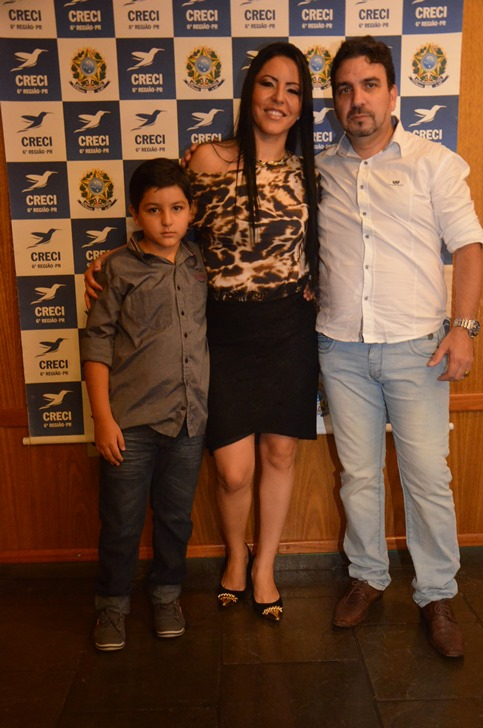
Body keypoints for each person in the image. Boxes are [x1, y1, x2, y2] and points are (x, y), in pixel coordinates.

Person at [85, 42, 319, 622]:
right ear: (250, 90)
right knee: (234, 471)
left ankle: (262, 568)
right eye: (269, 84)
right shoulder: (208, 159)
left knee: (280, 453)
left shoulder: (311, 169)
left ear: (303, 104)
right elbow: (162, 214)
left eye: (293, 89)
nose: (279, 98)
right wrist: (110, 259)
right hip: (224, 332)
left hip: (289, 329)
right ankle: (235, 555)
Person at [316, 37, 483, 657]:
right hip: (340, 350)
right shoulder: (319, 170)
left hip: (419, 350)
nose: (356, 100)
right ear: (334, 99)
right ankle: (367, 576)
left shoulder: (434, 163)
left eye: (369, 86)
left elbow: (469, 246)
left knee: (428, 478)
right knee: (358, 475)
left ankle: (436, 594)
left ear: (392, 93)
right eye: (344, 89)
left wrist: (463, 329)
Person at [81, 158, 208, 651]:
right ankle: (112, 605)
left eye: (177, 208)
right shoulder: (116, 268)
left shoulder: (200, 262)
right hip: (129, 424)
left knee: (176, 518)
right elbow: (96, 344)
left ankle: (167, 595)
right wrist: (103, 418)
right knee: (121, 521)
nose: (167, 220)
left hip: (187, 421)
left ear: (191, 211)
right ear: (135, 214)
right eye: (154, 210)